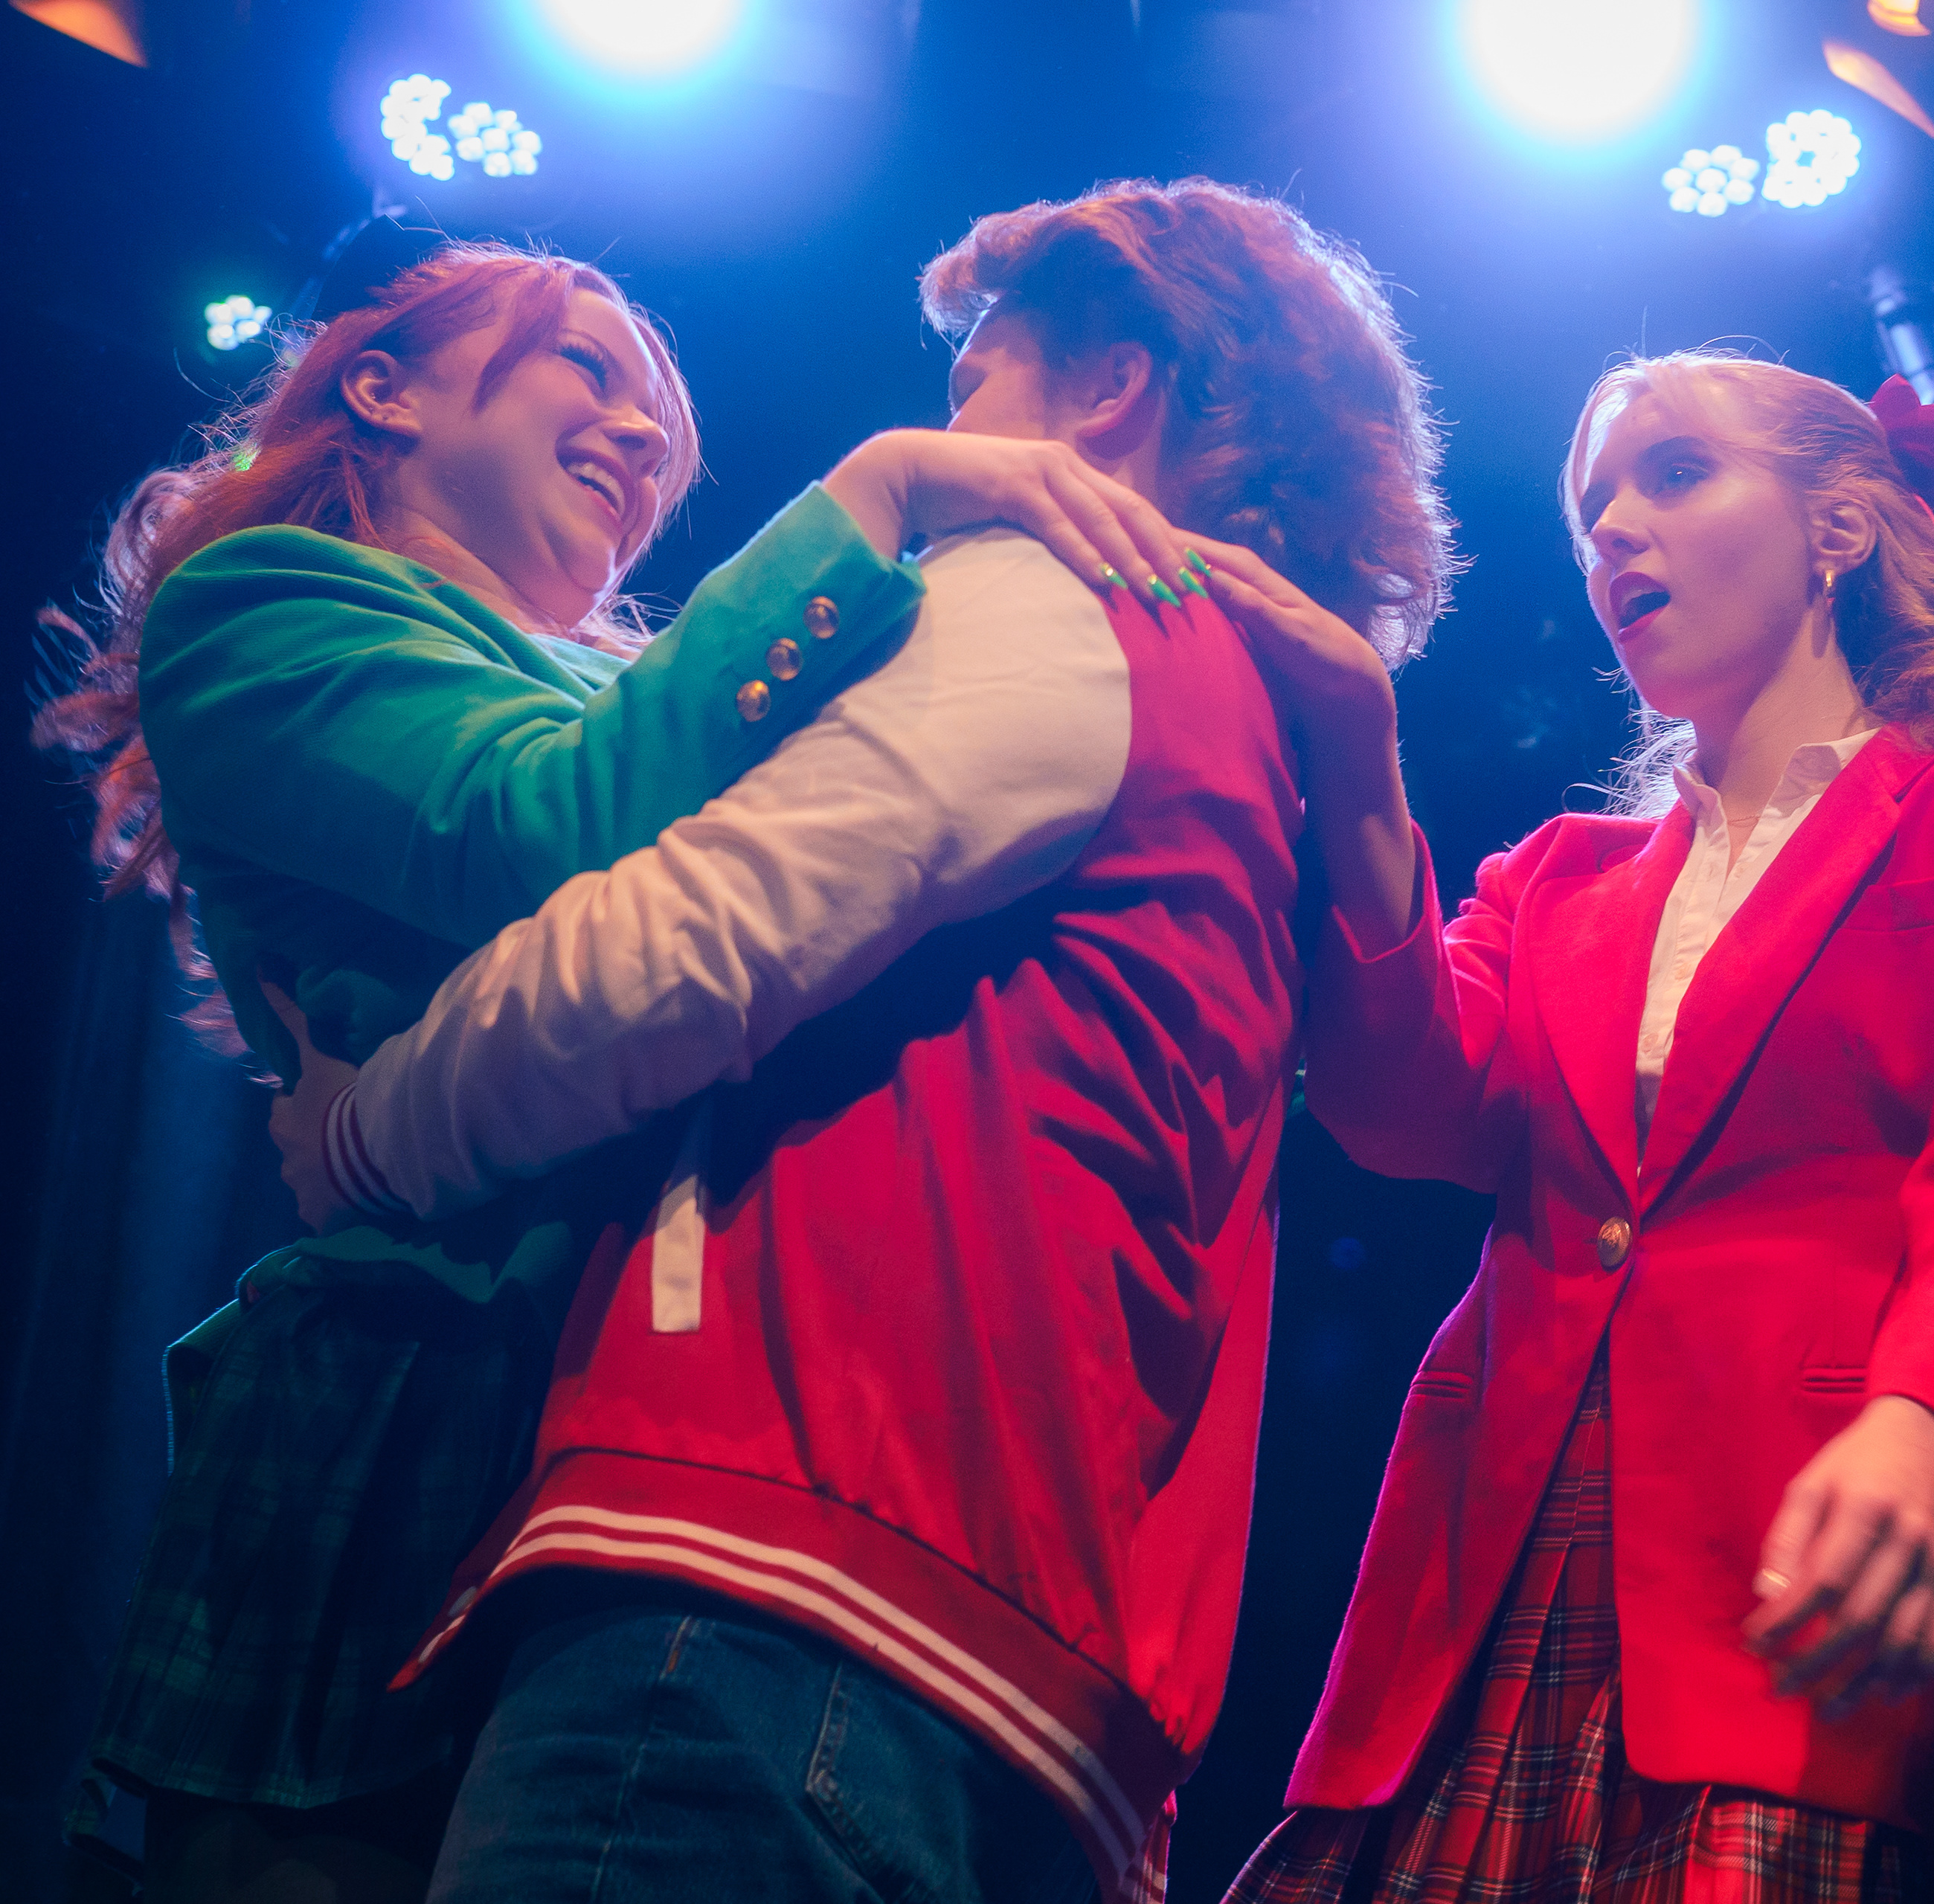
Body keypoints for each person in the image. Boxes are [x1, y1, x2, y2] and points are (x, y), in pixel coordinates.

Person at [263, 179, 1453, 1904]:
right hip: (1049, 1701)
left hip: (788, 1593)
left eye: (976, 383)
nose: (947, 428)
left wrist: (363, 1132)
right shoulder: (1266, 764)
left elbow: (681, 941)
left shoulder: (1060, 603)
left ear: (1108, 387)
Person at [34, 232, 1192, 1903]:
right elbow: (545, 825)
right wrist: (878, 490)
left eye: (660, 416)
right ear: (385, 388)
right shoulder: (264, 603)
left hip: (660, 1397)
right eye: (588, 365)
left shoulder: (668, 687)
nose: (645, 433)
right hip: (417, 1382)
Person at [1204, 353, 1934, 1903]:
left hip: (1795, 1547)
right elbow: (1401, 1113)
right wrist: (1361, 769)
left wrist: (1928, 1420)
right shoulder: (1558, 879)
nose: (1611, 531)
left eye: (1672, 473)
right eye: (1590, 508)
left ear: (1838, 528)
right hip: (1490, 1565)